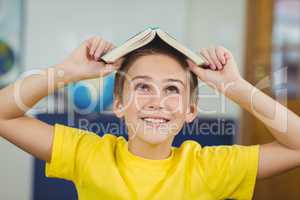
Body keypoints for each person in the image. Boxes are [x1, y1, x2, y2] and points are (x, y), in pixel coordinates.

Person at [0, 36, 300, 200]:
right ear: (118, 104)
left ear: (190, 111)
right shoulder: (88, 154)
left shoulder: (212, 167)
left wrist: (234, 87)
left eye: (172, 89)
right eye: (142, 87)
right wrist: (68, 71)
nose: (157, 101)